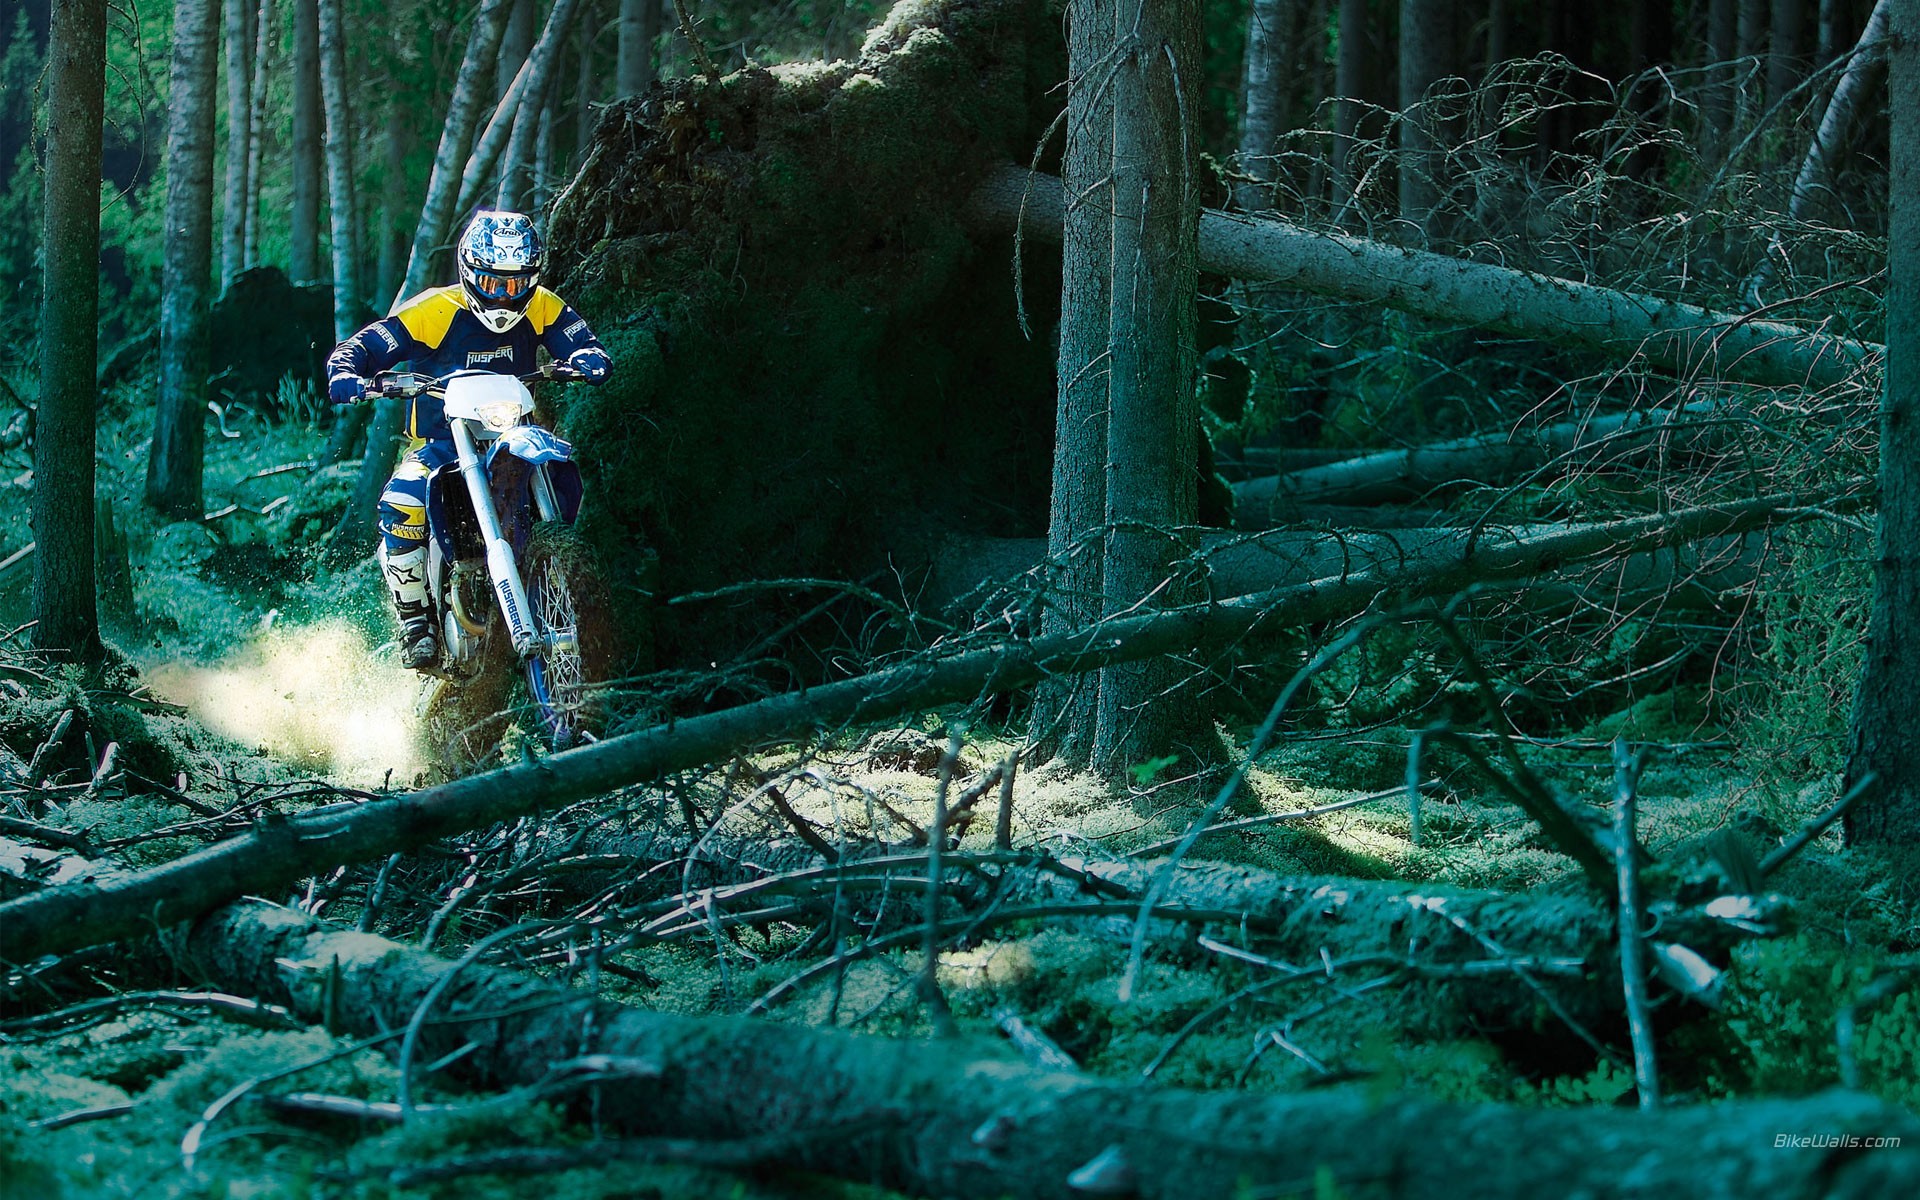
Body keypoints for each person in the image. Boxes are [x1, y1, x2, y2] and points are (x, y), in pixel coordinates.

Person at [326, 209, 612, 669]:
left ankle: (554, 575)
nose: (505, 294)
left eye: (516, 283)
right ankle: (415, 620)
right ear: (469, 272)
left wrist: (587, 357)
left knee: (561, 470)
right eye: (494, 282)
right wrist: (348, 370)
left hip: (513, 434)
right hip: (443, 444)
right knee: (400, 502)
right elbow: (370, 343)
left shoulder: (542, 305)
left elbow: (578, 338)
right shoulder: (436, 309)